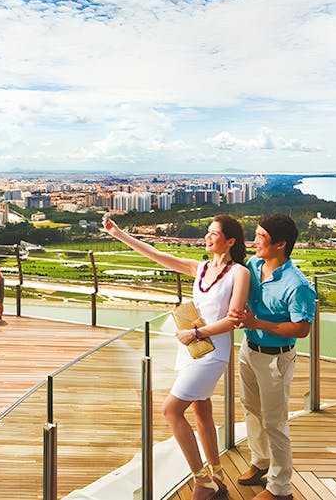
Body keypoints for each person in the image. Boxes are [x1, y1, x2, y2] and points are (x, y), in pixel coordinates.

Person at [104, 213, 249, 499]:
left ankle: (202, 480)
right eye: (208, 231)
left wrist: (196, 333)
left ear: (230, 241)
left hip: (212, 351)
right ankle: (217, 474)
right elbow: (157, 255)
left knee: (171, 410)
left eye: (214, 233)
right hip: (192, 349)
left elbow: (233, 320)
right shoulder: (201, 268)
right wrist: (119, 235)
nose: (207, 237)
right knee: (200, 410)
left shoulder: (239, 273)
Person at [227, 213, 316, 500]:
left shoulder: (297, 285)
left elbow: (302, 329)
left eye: (261, 237)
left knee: (275, 423)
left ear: (280, 244)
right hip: (249, 349)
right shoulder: (254, 265)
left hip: (276, 359)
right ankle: (261, 461)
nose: (254, 242)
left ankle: (280, 488)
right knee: (251, 409)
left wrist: (257, 323)